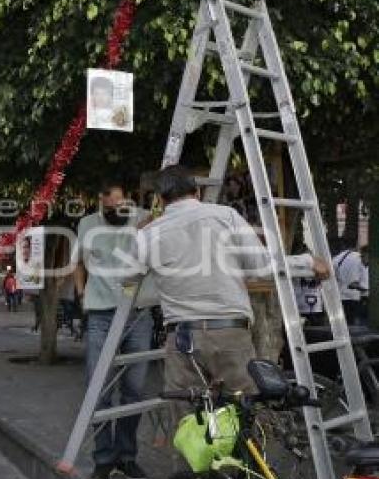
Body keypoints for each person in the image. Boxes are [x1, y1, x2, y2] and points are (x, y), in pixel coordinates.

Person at [136, 166, 329, 396]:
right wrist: (307, 263)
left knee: (188, 421)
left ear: (160, 199)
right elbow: (262, 267)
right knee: (243, 416)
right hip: (228, 334)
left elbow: (126, 279)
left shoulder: (148, 234)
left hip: (181, 339)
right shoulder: (225, 216)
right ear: (196, 191)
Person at [75, 181, 154, 479]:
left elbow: (163, 222)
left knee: (134, 389)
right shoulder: (87, 224)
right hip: (101, 315)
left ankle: (127, 457)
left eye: (122, 205)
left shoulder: (143, 217)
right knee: (100, 388)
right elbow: (79, 263)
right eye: (110, 207)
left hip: (137, 314)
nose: (117, 210)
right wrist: (82, 295)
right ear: (100, 202)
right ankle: (104, 459)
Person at [333, 238, 365, 326]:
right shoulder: (360, 257)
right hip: (356, 298)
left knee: (343, 325)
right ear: (356, 244)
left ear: (343, 245)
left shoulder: (336, 259)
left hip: (340, 297)